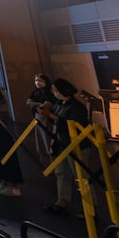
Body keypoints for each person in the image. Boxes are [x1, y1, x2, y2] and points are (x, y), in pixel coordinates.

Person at [40, 78, 91, 215]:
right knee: (61, 173)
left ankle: (89, 207)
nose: (53, 92)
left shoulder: (76, 107)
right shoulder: (59, 104)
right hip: (61, 143)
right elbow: (56, 119)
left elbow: (75, 124)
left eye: (55, 90)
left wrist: (51, 116)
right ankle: (62, 201)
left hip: (76, 144)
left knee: (80, 175)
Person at [27, 73, 55, 163]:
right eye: (36, 80)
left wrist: (36, 105)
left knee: (48, 141)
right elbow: (28, 102)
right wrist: (39, 104)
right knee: (40, 143)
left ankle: (52, 163)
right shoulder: (35, 92)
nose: (37, 82)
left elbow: (47, 104)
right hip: (37, 119)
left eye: (40, 80)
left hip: (47, 119)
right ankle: (45, 163)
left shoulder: (49, 92)